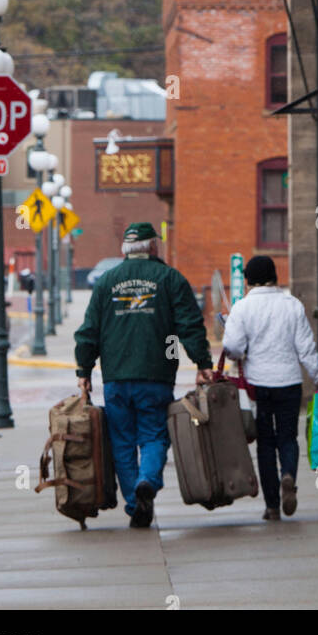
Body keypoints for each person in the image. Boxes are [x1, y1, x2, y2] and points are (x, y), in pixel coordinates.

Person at [74, 222, 213, 528]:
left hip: (116, 379)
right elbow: (190, 325)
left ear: (124, 250)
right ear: (153, 247)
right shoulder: (170, 279)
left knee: (122, 441)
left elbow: (88, 332)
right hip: (156, 375)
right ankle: (146, 481)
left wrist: (84, 370)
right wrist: (203, 363)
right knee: (153, 436)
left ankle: (135, 503)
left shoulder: (106, 282)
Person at [222, 255, 318, 521]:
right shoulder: (292, 305)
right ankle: (289, 476)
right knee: (287, 437)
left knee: (265, 444)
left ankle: (272, 505)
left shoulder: (242, 307)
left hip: (258, 386)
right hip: (289, 382)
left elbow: (233, 347)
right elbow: (306, 349)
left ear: (248, 280)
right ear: (275, 276)